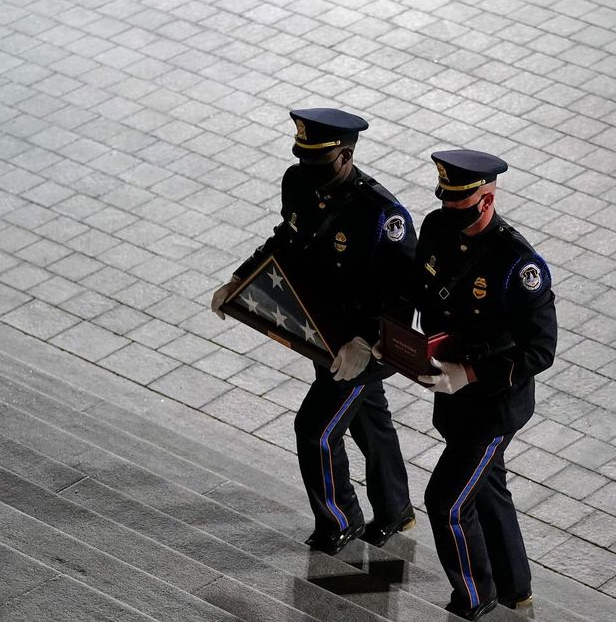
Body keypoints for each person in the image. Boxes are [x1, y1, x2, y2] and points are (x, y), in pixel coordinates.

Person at [210, 108, 417, 555]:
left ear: (345, 156)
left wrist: (364, 343)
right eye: (303, 158)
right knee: (369, 423)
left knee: (315, 429)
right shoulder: (298, 181)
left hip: (363, 347)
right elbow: (287, 238)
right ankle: (396, 508)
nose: (308, 170)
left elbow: (402, 296)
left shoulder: (383, 215)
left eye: (318, 161)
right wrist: (240, 279)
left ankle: (339, 521)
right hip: (323, 334)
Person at [392, 150, 557, 620]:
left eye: (461, 208)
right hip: (451, 396)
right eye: (446, 203)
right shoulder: (438, 226)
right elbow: (417, 291)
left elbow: (539, 351)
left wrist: (471, 372)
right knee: (486, 487)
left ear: (486, 202)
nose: (450, 215)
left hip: (493, 406)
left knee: (446, 502)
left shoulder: (519, 266)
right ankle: (514, 588)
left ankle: (474, 597)